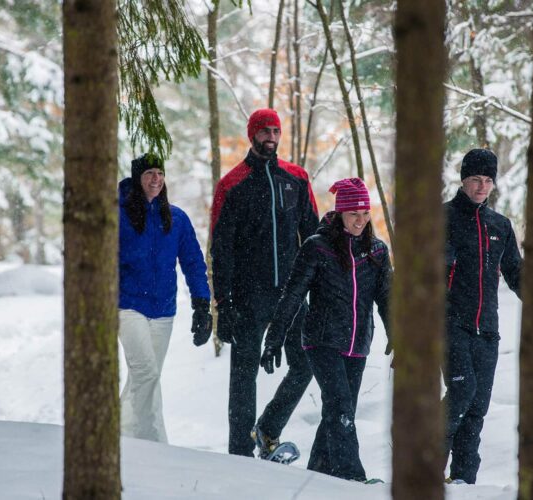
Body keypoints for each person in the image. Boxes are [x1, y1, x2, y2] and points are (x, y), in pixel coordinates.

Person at [443, 148, 533, 484]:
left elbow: (517, 274)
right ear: (464, 180)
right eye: (475, 180)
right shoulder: (443, 219)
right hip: (450, 325)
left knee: (477, 408)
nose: (482, 187)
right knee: (461, 392)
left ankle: (463, 482)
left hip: (487, 331)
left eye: (487, 181)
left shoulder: (499, 225)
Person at [261, 178, 392, 482]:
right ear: (340, 213)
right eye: (353, 214)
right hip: (322, 341)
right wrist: (274, 338)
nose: (360, 221)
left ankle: (319, 476)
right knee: (341, 407)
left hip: (358, 343)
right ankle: (352, 477)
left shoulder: (377, 251)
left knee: (337, 413)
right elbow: (293, 294)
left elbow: (387, 298)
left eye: (364, 213)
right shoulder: (318, 248)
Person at [210, 108, 319, 457]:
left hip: (291, 293)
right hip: (247, 296)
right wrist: (221, 303)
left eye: (275, 131)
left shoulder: (297, 179)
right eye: (264, 131)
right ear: (252, 134)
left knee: (306, 364)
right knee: (243, 376)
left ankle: (268, 428)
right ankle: (239, 451)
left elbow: (314, 237)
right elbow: (221, 247)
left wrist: (317, 289)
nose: (271, 137)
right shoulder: (232, 184)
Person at [118, 153, 212, 443]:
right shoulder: (117, 214)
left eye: (160, 173)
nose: (156, 179)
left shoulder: (177, 219)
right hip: (127, 305)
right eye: (149, 174)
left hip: (163, 311)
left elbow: (194, 263)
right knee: (146, 373)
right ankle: (154, 443)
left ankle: (119, 433)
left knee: (143, 377)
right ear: (138, 178)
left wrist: (201, 304)